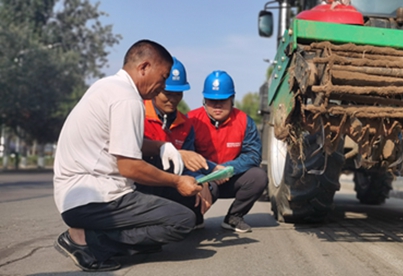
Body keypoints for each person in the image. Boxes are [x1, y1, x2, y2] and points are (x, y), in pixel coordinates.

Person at [52, 40, 210, 272]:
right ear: (144, 67)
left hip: (75, 196)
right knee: (182, 220)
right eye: (163, 77)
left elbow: (119, 143)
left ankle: (97, 237)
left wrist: (159, 147)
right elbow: (129, 167)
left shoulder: (107, 86)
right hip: (96, 200)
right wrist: (177, 181)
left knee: (160, 226)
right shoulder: (128, 99)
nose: (163, 85)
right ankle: (87, 241)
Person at [138, 57, 216, 228]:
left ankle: (187, 218)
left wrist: (201, 181)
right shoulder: (138, 114)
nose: (173, 99)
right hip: (143, 183)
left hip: (171, 184)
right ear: (156, 89)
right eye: (167, 93)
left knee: (208, 186)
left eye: (178, 93)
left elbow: (189, 166)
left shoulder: (186, 124)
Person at [187, 70, 267, 233]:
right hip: (202, 179)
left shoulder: (245, 121)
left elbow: (253, 155)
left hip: (230, 177)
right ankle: (195, 217)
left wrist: (227, 169)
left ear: (232, 99)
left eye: (222, 100)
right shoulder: (191, 120)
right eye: (212, 100)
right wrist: (208, 175)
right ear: (204, 100)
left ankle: (234, 217)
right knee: (203, 186)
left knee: (258, 177)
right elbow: (185, 155)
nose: (217, 105)